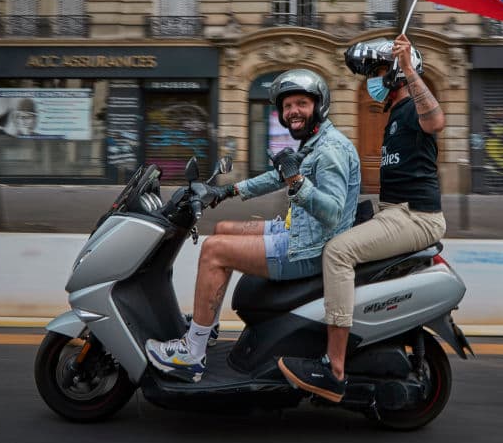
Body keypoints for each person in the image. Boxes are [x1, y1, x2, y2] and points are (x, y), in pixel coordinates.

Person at [145, 68, 361, 382]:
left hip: (310, 249)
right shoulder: (315, 141)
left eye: (301, 103)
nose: (292, 112)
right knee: (223, 230)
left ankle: (191, 353)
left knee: (214, 250)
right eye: (287, 107)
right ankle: (208, 324)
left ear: (319, 105)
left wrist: (298, 182)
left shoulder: (330, 151)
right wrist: (226, 192)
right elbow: (276, 177)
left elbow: (331, 210)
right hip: (301, 231)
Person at [277, 33, 448, 403]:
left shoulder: (412, 109)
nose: (371, 80)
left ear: (397, 74)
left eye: (378, 71)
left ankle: (333, 367)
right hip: (393, 212)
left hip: (416, 218)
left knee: (338, 252)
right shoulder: (392, 115)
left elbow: (436, 120)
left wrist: (409, 71)